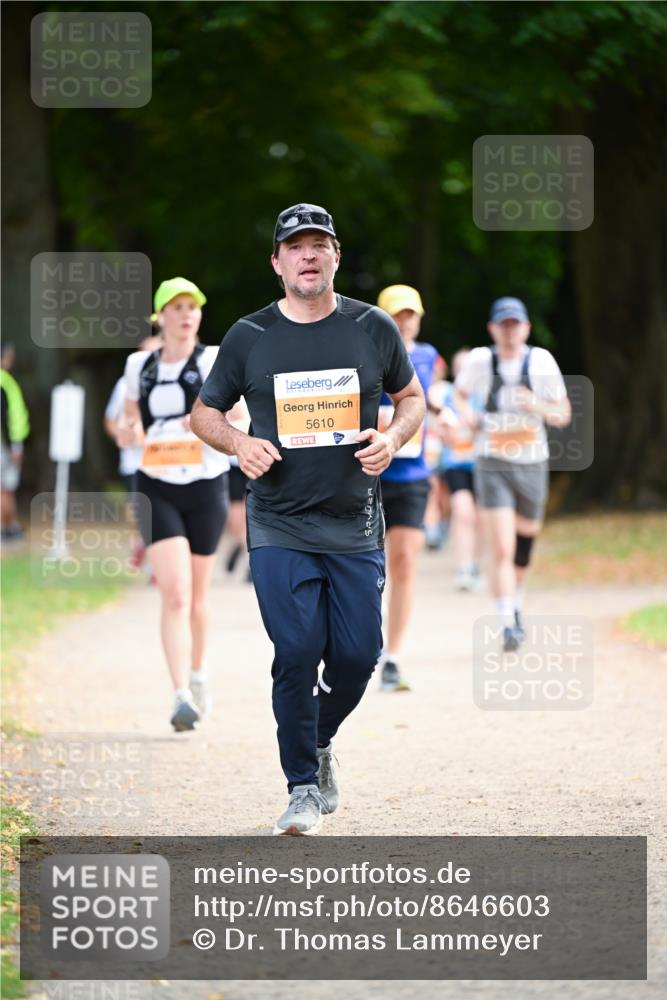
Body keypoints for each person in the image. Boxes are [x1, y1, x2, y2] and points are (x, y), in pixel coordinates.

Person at [192, 203, 425, 835]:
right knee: (296, 650)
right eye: (295, 246)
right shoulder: (250, 335)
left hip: (354, 521)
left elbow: (411, 397)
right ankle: (301, 786)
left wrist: (393, 438)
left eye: (319, 244)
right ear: (278, 262)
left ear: (335, 256)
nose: (308, 255)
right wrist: (239, 443)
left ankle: (317, 740)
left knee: (358, 655)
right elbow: (204, 413)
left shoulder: (372, 326)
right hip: (279, 521)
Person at [116, 278, 230, 731]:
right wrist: (127, 431)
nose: (186, 315)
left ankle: (198, 674)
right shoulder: (138, 365)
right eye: (177, 307)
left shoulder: (214, 360)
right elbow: (128, 420)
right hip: (155, 484)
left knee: (198, 598)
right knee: (176, 593)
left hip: (205, 484)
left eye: (193, 307)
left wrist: (205, 421)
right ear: (160, 316)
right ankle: (180, 694)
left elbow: (241, 416)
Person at [454, 298, 570, 650]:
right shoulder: (480, 360)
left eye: (515, 324)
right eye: (503, 324)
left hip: (531, 462)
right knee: (502, 546)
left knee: (524, 544)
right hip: (492, 461)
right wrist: (467, 416)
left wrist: (536, 405)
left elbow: (563, 413)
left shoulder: (541, 362)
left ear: (526, 328)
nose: (509, 331)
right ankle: (507, 621)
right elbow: (460, 395)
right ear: (492, 329)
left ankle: (515, 598)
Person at [375, 284, 442, 691]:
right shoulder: (367, 352)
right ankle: (366, 639)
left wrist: (439, 411)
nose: (404, 322)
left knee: (403, 562)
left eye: (410, 314)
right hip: (369, 475)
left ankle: (394, 656)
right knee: (366, 568)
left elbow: (425, 398)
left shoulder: (429, 355)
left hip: (412, 475)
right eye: (397, 315)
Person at [104, 333, 163, 572]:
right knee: (137, 510)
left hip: (166, 460)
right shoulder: (124, 384)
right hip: (133, 461)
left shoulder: (175, 380)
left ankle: (156, 558)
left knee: (160, 510)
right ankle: (144, 543)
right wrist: (124, 435)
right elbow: (110, 420)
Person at [433, 348, 484, 591]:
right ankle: (463, 568)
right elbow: (439, 431)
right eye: (460, 368)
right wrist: (448, 432)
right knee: (463, 512)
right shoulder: (447, 396)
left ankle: (476, 564)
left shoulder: (485, 394)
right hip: (456, 464)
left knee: (481, 518)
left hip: (484, 464)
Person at [0, 344, 30, 541]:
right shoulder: (3, 381)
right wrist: (14, 445)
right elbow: (5, 416)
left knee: (7, 487)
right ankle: (5, 527)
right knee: (5, 486)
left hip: (7, 442)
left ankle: (10, 525)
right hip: (5, 443)